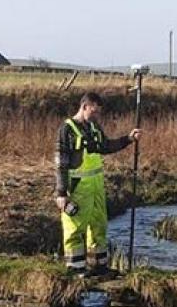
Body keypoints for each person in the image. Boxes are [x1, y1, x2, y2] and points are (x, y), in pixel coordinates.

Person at [55, 92, 142, 277]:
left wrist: (128, 139)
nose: (96, 116)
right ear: (84, 106)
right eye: (94, 112)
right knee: (75, 227)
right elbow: (61, 163)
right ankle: (76, 269)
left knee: (99, 225)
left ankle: (99, 266)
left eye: (98, 113)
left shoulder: (94, 127)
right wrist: (61, 193)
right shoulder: (67, 129)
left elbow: (106, 146)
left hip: (96, 187)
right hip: (77, 188)